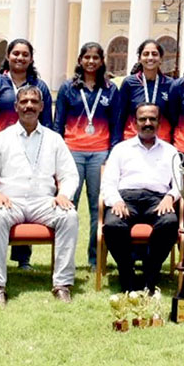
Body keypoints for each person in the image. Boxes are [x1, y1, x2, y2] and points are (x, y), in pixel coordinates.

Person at [0, 85, 81, 306]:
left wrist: (64, 194)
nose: (29, 106)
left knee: (69, 216)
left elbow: (70, 175)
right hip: (9, 201)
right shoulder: (0, 139)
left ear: (42, 107)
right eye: (24, 102)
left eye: (34, 102)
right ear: (16, 106)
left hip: (43, 202)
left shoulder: (54, 139)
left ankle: (62, 284)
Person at [0, 38, 52, 269]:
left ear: (31, 59)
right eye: (16, 53)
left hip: (32, 150)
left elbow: (47, 120)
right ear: (8, 56)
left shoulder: (39, 86)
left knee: (27, 195)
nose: (20, 58)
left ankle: (22, 259)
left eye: (25, 54)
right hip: (0, 150)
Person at [53, 42, 121, 271]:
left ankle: (95, 259)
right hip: (72, 152)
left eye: (95, 58)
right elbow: (57, 124)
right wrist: (58, 155)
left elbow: (116, 125)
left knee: (98, 207)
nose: (91, 61)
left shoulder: (111, 89)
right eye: (87, 57)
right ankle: (64, 259)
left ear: (102, 61)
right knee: (67, 205)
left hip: (100, 154)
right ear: (80, 60)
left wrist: (111, 155)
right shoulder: (67, 88)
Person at [100, 103, 180, 293]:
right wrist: (116, 201)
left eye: (152, 119)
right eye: (143, 119)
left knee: (169, 223)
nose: (147, 123)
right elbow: (108, 182)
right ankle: (127, 275)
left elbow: (180, 183)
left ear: (159, 122)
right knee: (112, 226)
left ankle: (149, 276)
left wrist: (170, 197)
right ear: (134, 123)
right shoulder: (121, 149)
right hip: (126, 199)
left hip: (158, 200)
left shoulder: (171, 151)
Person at [118, 39, 174, 142]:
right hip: (133, 140)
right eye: (146, 54)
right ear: (139, 58)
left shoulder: (170, 84)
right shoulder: (129, 83)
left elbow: (174, 117)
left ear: (161, 59)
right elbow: (120, 116)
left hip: (162, 141)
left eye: (154, 54)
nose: (150, 57)